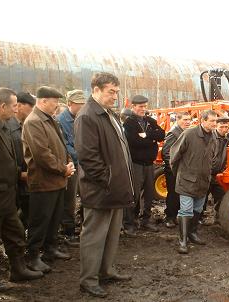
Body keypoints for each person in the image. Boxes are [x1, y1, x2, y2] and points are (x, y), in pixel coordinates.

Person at [75, 72, 134, 298]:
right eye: (111, 92)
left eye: (117, 92)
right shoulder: (88, 116)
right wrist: (108, 180)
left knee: (111, 235)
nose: (115, 96)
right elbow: (88, 157)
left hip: (114, 189)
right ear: (96, 90)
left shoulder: (108, 114)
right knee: (94, 237)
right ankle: (88, 280)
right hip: (101, 191)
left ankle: (106, 271)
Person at [0, 88, 43, 293]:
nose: (16, 108)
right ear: (3, 107)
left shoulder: (2, 125)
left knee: (16, 233)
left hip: (6, 195)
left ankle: (18, 269)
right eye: (14, 105)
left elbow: (3, 159)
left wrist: (19, 174)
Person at [22, 86, 74, 273]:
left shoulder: (49, 120)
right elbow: (41, 154)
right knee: (40, 221)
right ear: (43, 101)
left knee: (54, 218)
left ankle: (50, 249)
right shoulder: (34, 122)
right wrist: (63, 169)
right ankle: (32, 256)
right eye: (55, 102)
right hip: (43, 182)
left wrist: (68, 163)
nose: (57, 106)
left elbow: (61, 145)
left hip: (57, 180)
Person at [170, 110, 217, 254]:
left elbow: (212, 157)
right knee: (186, 210)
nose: (215, 124)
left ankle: (192, 233)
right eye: (212, 121)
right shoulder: (189, 134)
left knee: (197, 209)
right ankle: (183, 241)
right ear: (203, 120)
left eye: (216, 121)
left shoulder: (213, 137)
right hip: (187, 181)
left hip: (202, 182)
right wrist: (180, 174)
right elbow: (174, 156)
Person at [123, 95, 165, 234]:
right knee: (134, 194)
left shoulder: (149, 120)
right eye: (140, 106)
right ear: (133, 107)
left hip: (149, 164)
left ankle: (145, 220)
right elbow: (135, 142)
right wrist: (152, 139)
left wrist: (147, 135)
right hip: (136, 164)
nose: (143, 109)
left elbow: (162, 134)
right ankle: (130, 223)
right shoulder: (129, 123)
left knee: (149, 193)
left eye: (145, 106)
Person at [57, 89, 86, 247]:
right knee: (69, 200)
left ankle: (84, 226)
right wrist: (82, 156)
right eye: (79, 104)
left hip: (85, 164)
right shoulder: (61, 120)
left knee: (87, 196)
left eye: (83, 104)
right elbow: (65, 145)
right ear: (70, 104)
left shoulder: (84, 117)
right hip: (73, 165)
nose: (82, 107)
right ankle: (68, 232)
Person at [7, 92, 36, 229]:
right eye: (30, 106)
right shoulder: (8, 128)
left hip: (26, 180)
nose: (32, 110)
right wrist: (19, 173)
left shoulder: (25, 125)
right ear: (19, 106)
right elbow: (5, 158)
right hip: (15, 182)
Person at [206, 116, 229, 223]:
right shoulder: (211, 137)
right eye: (221, 126)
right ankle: (199, 219)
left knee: (222, 196)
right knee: (202, 198)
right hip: (207, 172)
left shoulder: (227, 137)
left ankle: (218, 217)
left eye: (226, 127)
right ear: (217, 126)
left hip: (218, 173)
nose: (224, 129)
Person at [161, 111, 191, 228]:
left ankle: (176, 216)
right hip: (173, 171)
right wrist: (174, 168)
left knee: (180, 195)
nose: (188, 122)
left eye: (189, 119)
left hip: (182, 170)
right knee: (173, 195)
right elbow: (166, 153)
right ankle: (169, 217)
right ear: (178, 120)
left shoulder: (185, 132)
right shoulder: (173, 133)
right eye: (185, 120)